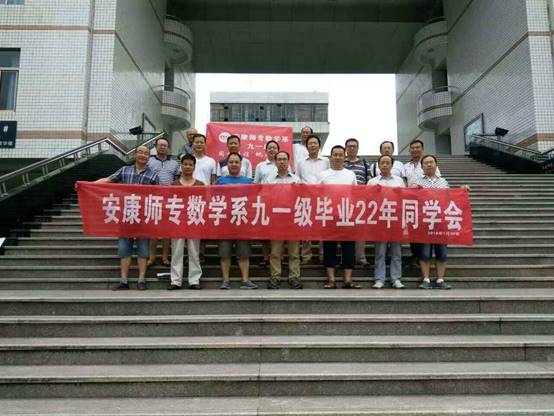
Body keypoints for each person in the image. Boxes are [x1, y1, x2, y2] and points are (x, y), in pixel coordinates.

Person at [93, 145, 159, 290]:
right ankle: (124, 280)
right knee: (124, 249)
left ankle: (141, 279)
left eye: (146, 153)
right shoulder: (124, 170)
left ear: (149, 157)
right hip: (126, 215)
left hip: (143, 217)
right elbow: (108, 180)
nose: (143, 155)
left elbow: (157, 197)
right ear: (135, 155)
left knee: (143, 250)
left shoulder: (153, 175)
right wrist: (88, 184)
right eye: (140, 152)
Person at [413, 154, 470, 290]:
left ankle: (440, 279)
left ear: (436, 165)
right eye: (426, 163)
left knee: (442, 253)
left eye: (431, 162)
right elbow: (411, 199)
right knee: (424, 253)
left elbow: (450, 197)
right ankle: (426, 279)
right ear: (422, 167)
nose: (429, 164)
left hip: (441, 222)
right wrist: (415, 191)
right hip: (425, 222)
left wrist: (461, 190)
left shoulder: (444, 182)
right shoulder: (417, 183)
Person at [318, 145, 360, 289]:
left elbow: (356, 194)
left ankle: (348, 280)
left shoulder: (350, 174)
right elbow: (316, 193)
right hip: (329, 215)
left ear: (344, 157)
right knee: (329, 247)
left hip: (347, 215)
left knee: (348, 247)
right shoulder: (323, 174)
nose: (337, 157)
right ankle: (331, 280)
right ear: (331, 157)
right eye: (335, 154)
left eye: (340, 154)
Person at [216, 153, 257, 289]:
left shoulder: (248, 182)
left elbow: (254, 201)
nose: (234, 164)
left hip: (243, 222)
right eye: (231, 162)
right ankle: (225, 280)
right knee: (224, 253)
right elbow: (214, 200)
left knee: (244, 253)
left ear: (241, 164)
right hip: (225, 223)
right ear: (227, 165)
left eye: (236, 162)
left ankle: (245, 280)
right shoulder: (220, 182)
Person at [263, 151, 302, 289]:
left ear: (288, 161)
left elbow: (302, 199)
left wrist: (298, 190)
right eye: (279, 159)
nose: (282, 162)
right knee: (275, 252)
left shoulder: (296, 179)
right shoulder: (269, 180)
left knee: (294, 252)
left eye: (284, 159)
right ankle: (275, 277)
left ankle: (294, 277)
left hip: (292, 220)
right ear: (275, 162)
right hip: (276, 220)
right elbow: (264, 198)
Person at [367, 155, 406, 289]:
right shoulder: (372, 182)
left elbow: (405, 198)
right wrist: (374, 192)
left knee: (396, 251)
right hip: (380, 220)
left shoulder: (399, 181)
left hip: (395, 219)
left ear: (391, 165)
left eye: (387, 162)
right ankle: (379, 279)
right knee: (380, 252)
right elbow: (366, 200)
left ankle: (396, 278)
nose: (384, 165)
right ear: (378, 165)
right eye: (382, 163)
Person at [403, 139, 441, 266]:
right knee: (412, 229)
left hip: (427, 203)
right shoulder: (405, 166)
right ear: (409, 150)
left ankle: (425, 257)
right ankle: (415, 255)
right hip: (411, 202)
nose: (415, 150)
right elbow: (404, 183)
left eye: (417, 147)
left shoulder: (428, 163)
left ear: (422, 149)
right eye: (412, 148)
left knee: (425, 228)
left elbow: (437, 180)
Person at [169, 154, 204, 290]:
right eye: (185, 164)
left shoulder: (200, 185)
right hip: (177, 221)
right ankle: (175, 280)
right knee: (176, 252)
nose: (188, 167)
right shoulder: (174, 184)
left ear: (194, 167)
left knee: (194, 252)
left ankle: (194, 280)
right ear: (181, 166)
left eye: (190, 164)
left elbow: (204, 204)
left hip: (194, 221)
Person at [146, 137, 180, 267]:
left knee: (167, 230)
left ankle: (165, 257)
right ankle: (152, 257)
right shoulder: (149, 161)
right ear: (155, 147)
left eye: (165, 145)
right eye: (160, 145)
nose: (162, 147)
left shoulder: (175, 163)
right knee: (153, 230)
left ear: (168, 148)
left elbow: (177, 179)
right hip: (153, 199)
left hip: (170, 199)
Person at [296, 134, 329, 264]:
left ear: (319, 146)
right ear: (307, 146)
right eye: (310, 143)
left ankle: (323, 255)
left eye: (315, 143)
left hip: (322, 199)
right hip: (306, 198)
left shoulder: (326, 161)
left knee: (322, 227)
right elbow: (298, 178)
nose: (313, 145)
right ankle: (306, 256)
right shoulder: (300, 163)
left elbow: (329, 177)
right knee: (306, 227)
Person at [190, 133, 217, 264]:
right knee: (190, 226)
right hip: (189, 198)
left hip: (205, 198)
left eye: (202, 142)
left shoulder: (211, 161)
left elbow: (213, 181)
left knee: (202, 226)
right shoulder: (187, 159)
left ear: (205, 144)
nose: (199, 144)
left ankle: (201, 253)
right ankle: (191, 254)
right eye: (197, 142)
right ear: (192, 144)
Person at [343, 137, 370, 266]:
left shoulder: (364, 163)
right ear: (346, 148)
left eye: (354, 146)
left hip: (360, 201)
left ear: (358, 148)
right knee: (345, 229)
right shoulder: (341, 162)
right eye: (349, 146)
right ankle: (346, 257)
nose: (352, 148)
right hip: (344, 200)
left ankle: (361, 257)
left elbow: (369, 179)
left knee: (360, 229)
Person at [254, 140, 280, 267]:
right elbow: (256, 185)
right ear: (266, 150)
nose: (272, 149)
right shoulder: (260, 166)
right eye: (270, 147)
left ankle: (278, 257)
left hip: (280, 202)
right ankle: (265, 257)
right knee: (264, 232)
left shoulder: (283, 163)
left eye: (274, 147)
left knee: (278, 231)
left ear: (278, 150)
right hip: (264, 202)